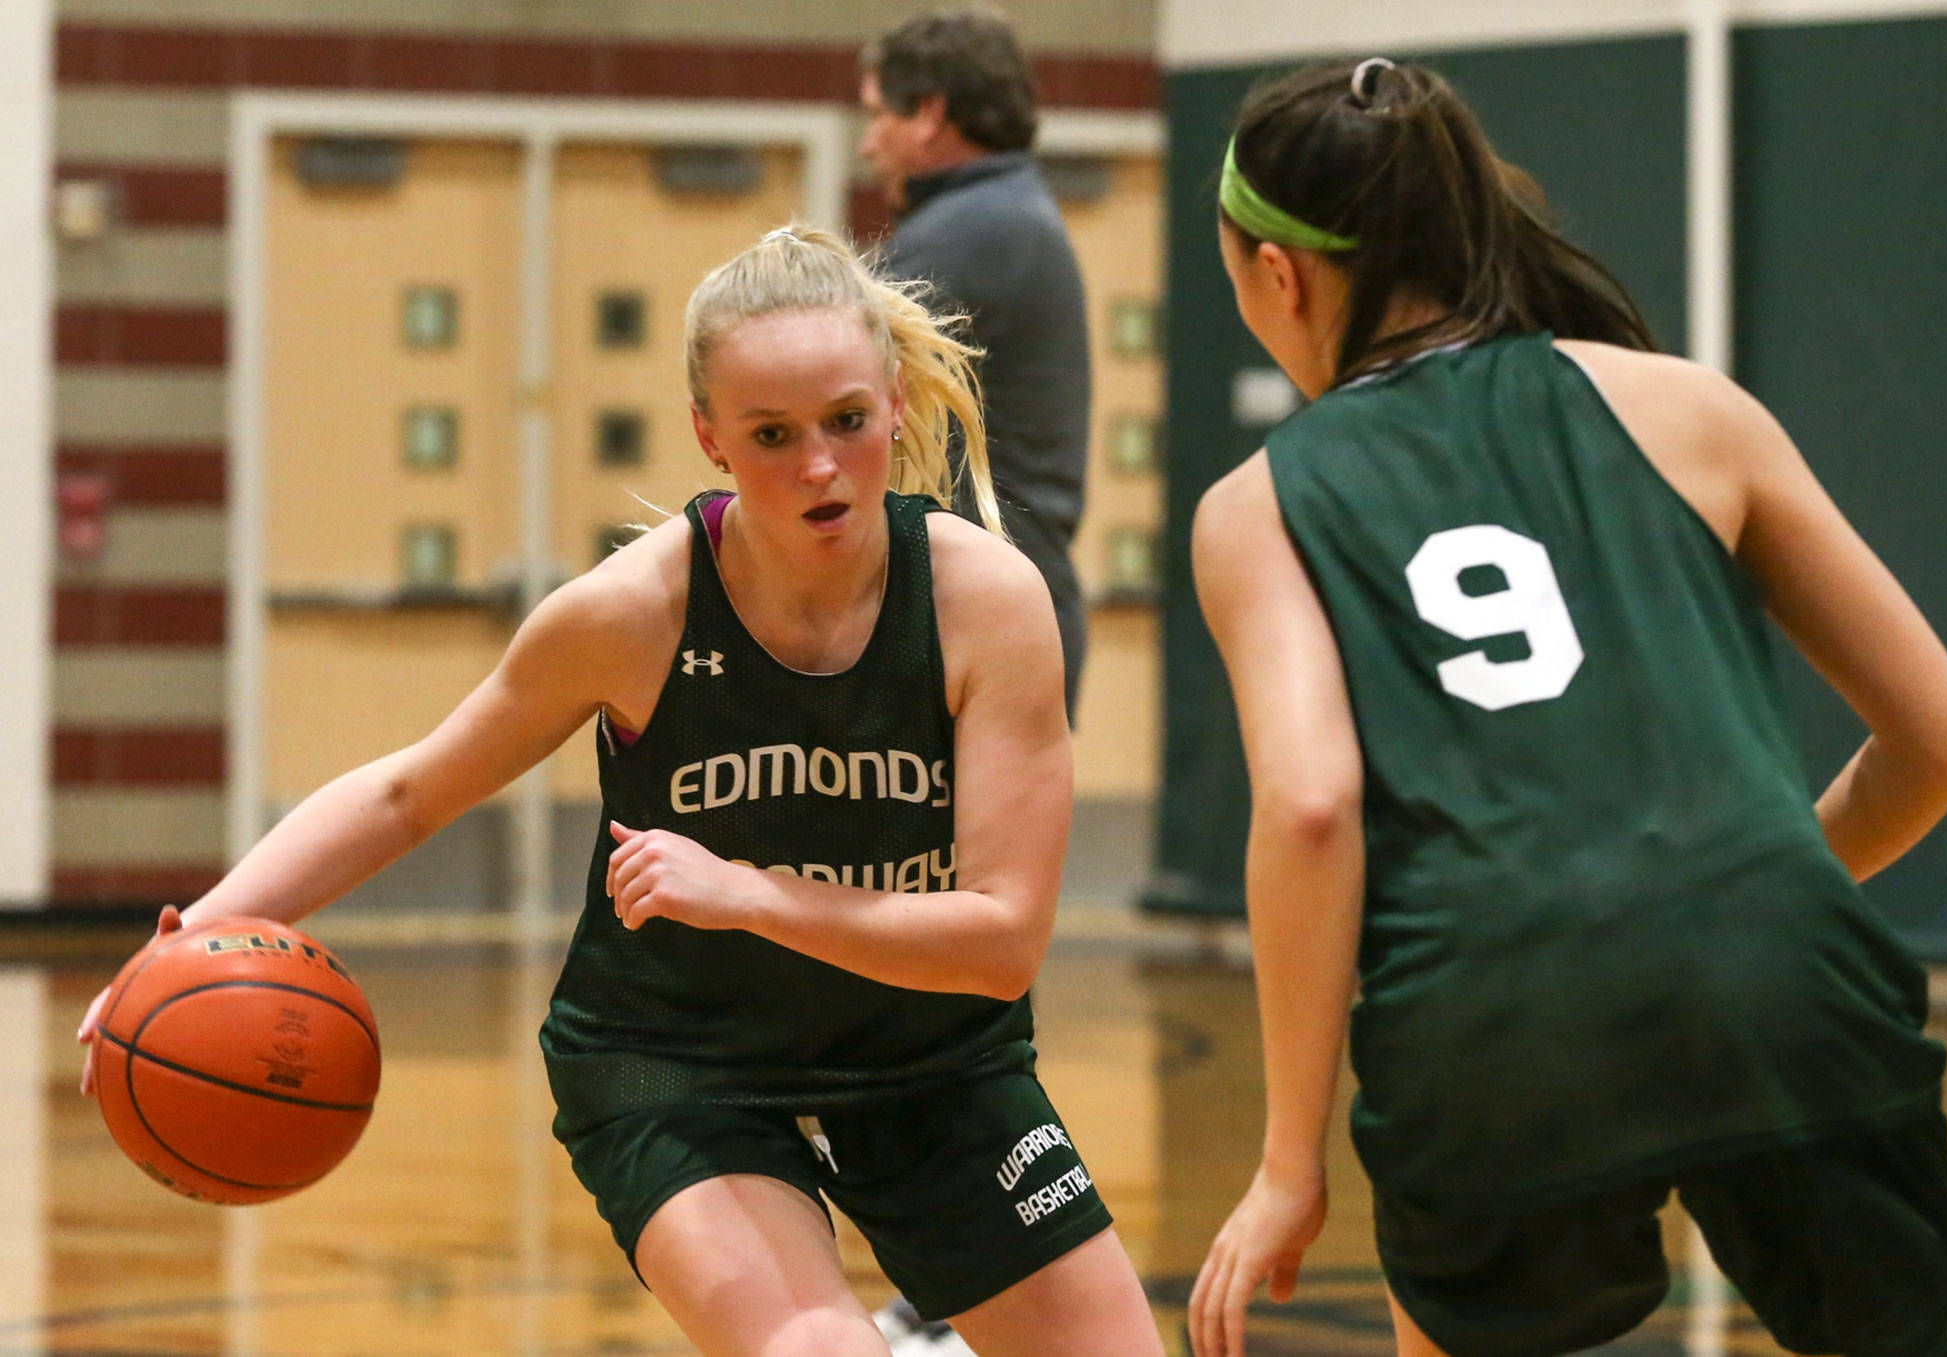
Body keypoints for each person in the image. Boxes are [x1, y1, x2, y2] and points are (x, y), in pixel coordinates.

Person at [79, 226, 1163, 1357]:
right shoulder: (628, 614)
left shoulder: (984, 602)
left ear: (893, 400)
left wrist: (748, 892)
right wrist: (190, 940)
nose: (820, 467)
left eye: (846, 420)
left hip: (926, 1055)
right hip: (681, 1061)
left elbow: (998, 942)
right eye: (771, 435)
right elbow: (410, 793)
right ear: (709, 437)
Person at [1185, 60, 1947, 1357]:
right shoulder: (1687, 407)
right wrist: (1730, 902)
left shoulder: (1257, 506)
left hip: (1489, 1017)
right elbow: (1945, 739)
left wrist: (1289, 1159)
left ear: (1279, 274)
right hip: (1775, 966)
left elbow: (1313, 806)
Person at [859, 8, 1092, 721]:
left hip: (973, 616)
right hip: (1012, 600)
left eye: (877, 117)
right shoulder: (1007, 216)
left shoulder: (964, 237)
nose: (869, 145)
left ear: (929, 114)